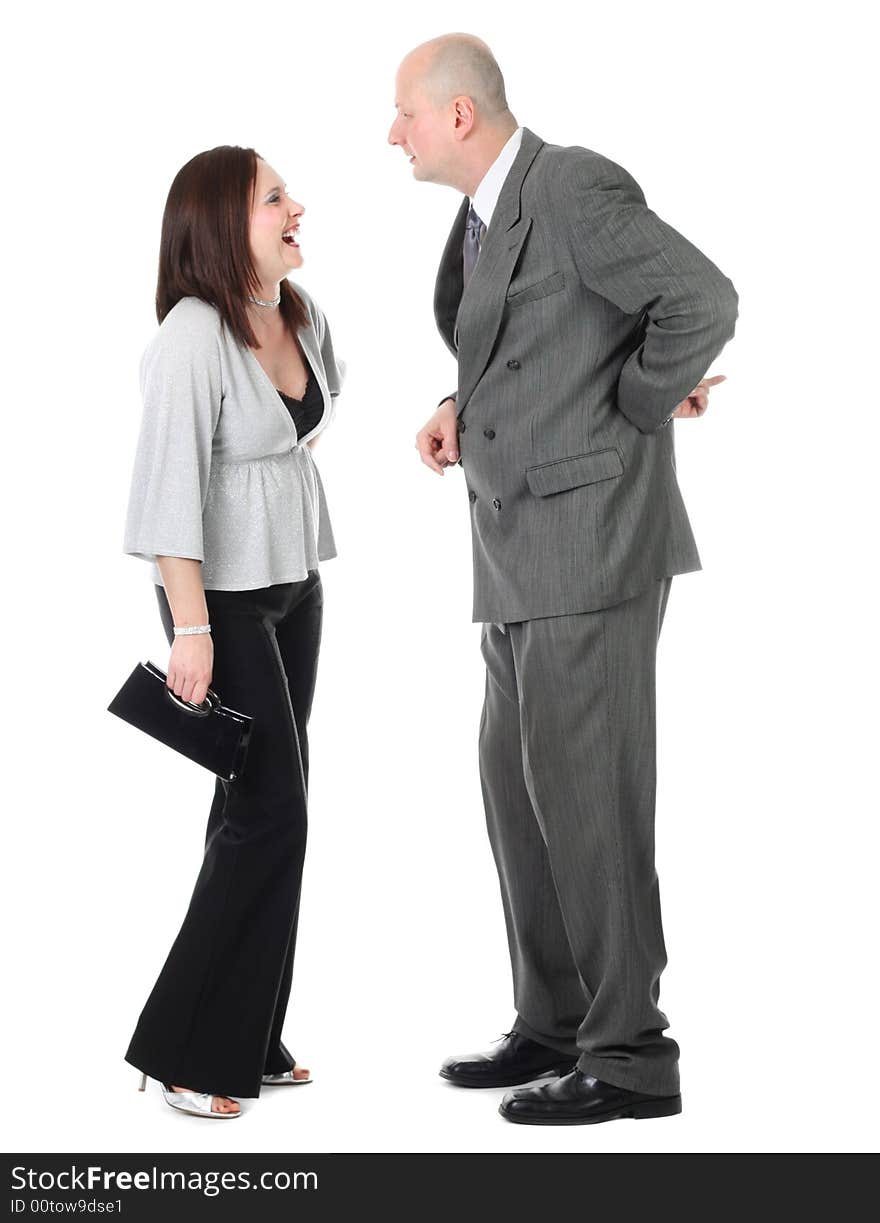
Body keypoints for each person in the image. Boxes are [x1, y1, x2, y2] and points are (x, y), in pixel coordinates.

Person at [390, 35, 738, 1126]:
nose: (388, 131)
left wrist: (635, 404)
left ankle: (631, 1052)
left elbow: (700, 299)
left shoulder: (572, 181)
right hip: (512, 550)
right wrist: (459, 409)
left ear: (456, 116)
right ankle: (554, 1019)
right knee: (518, 789)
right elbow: (533, 343)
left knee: (589, 799)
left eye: (402, 111)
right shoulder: (489, 216)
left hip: (588, 539)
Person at [121, 145, 345, 1119]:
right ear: (223, 222)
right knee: (271, 814)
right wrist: (192, 626)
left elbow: (295, 435)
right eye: (274, 199)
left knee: (257, 810)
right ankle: (183, 1045)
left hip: (294, 588)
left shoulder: (296, 314)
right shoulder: (189, 336)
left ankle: (246, 1030)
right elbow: (167, 492)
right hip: (221, 601)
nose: (298, 207)